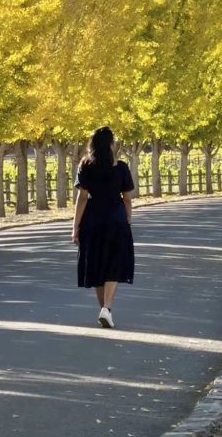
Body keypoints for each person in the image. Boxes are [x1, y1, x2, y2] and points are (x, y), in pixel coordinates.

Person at [72, 126, 135, 329]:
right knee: (114, 263)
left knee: (97, 263)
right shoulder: (121, 168)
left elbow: (81, 198)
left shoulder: (85, 166)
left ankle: (105, 310)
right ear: (111, 144)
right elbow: (127, 199)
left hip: (92, 218)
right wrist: (128, 219)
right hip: (116, 218)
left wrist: (75, 227)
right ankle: (106, 308)